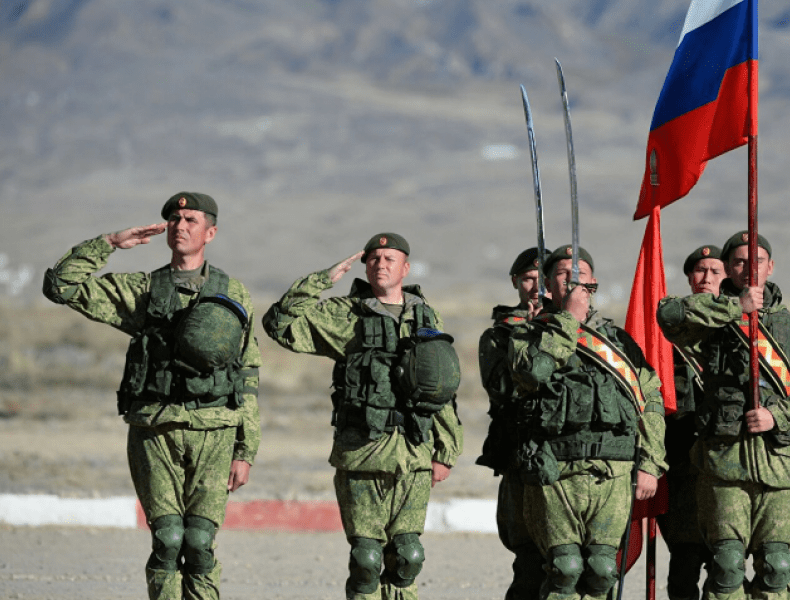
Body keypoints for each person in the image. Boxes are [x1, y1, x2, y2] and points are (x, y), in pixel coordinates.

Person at [42, 192, 261, 600]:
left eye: (191, 220)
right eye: (174, 218)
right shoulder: (144, 290)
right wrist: (109, 243)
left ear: (210, 233)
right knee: (168, 538)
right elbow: (60, 286)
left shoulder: (234, 293)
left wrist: (246, 450)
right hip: (154, 427)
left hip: (215, 431)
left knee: (198, 543)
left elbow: (247, 373)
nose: (180, 225)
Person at [261, 232, 463, 600]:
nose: (380, 264)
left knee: (408, 556)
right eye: (373, 259)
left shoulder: (426, 315)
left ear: (405, 268)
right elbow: (280, 324)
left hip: (414, 452)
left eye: (389, 259)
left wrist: (446, 449)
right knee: (367, 560)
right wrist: (322, 280)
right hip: (362, 452)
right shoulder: (345, 314)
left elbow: (441, 388)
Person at [657, 231, 790, 600]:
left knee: (776, 566)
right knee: (726, 565)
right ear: (728, 269)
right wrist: (735, 308)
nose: (749, 268)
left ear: (771, 266)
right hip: (724, 464)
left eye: (757, 260)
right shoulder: (711, 319)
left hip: (780, 463)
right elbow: (669, 315)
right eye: (739, 261)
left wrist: (779, 415)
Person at [508, 244, 667, 600]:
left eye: (580, 273)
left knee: (601, 570)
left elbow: (650, 403)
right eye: (563, 273)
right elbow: (532, 374)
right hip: (555, 470)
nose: (572, 279)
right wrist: (568, 321)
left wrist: (650, 464)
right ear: (548, 284)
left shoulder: (619, 342)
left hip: (612, 471)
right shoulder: (528, 334)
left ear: (593, 283)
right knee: (564, 570)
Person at [477, 247, 550, 600]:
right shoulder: (499, 336)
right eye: (528, 280)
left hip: (570, 457)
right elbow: (504, 389)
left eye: (545, 279)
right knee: (529, 561)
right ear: (515, 283)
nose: (537, 288)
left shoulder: (580, 333)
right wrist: (530, 336)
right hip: (522, 455)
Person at [658, 244, 723, 600]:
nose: (707, 278)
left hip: (727, 462)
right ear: (688, 277)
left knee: (726, 564)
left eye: (715, 271)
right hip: (682, 463)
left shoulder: (740, 327)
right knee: (683, 563)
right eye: (700, 270)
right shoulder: (670, 330)